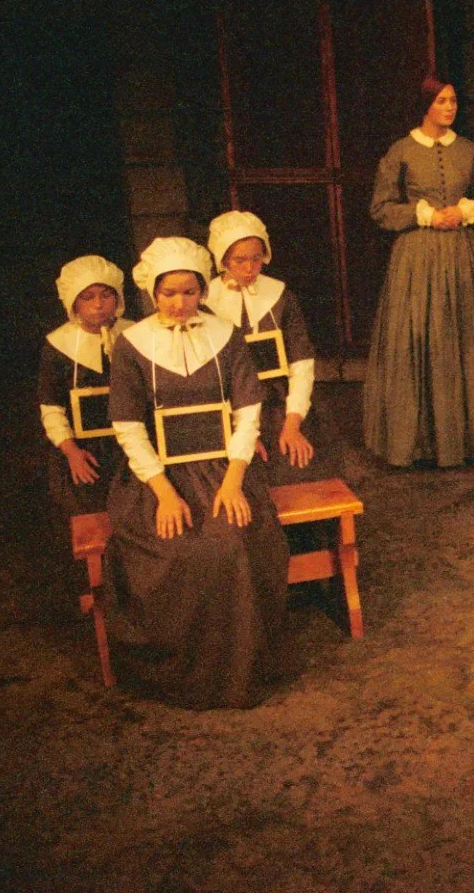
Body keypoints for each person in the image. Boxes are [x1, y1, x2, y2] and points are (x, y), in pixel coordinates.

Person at [103, 237, 290, 709]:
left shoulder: (227, 336)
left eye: (189, 292)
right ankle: (184, 674)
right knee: (179, 554)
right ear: (151, 292)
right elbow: (127, 425)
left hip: (223, 467)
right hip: (159, 478)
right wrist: (164, 493)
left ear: (202, 290)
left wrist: (232, 480)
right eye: (169, 293)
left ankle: (243, 670)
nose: (180, 302)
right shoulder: (131, 345)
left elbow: (249, 410)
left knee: (235, 542)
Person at [364, 76, 474, 468]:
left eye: (454, 101)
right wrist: (423, 214)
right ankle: (417, 443)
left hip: (462, 254)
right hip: (416, 257)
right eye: (442, 101)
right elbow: (380, 209)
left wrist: (465, 211)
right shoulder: (401, 151)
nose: (450, 108)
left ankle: (472, 440)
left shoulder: (468, 150)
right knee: (418, 339)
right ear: (426, 106)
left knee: (467, 340)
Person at [205, 209, 331, 485]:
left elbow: (301, 362)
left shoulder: (281, 296)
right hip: (228, 408)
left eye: (256, 258)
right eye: (239, 260)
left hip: (280, 404)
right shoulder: (206, 302)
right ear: (223, 258)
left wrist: (293, 422)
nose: (249, 268)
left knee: (296, 468)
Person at [39, 255, 131, 520]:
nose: (98, 305)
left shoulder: (136, 334)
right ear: (73, 303)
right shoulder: (58, 346)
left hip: (132, 445)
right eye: (87, 297)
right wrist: (71, 452)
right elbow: (51, 406)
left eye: (106, 295)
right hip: (86, 452)